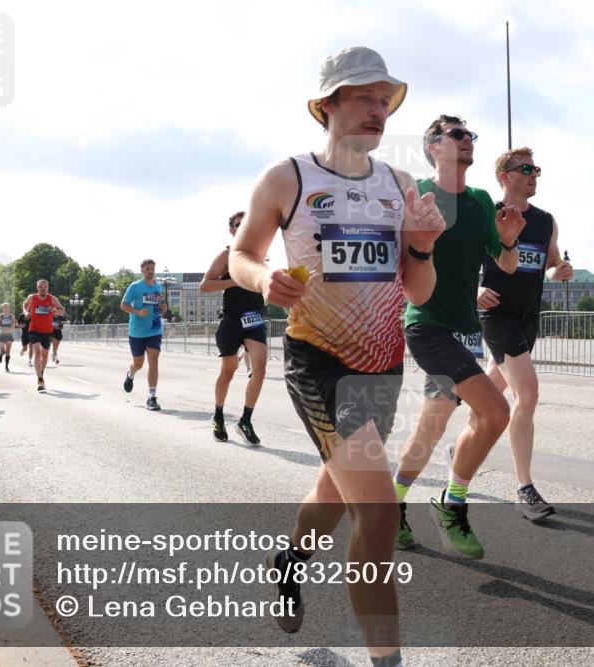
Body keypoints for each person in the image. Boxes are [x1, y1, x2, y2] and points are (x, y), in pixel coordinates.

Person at [229, 46, 444, 667]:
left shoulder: (400, 185)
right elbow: (242, 255)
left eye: (385, 100)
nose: (378, 110)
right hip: (318, 362)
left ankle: (290, 562)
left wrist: (424, 248)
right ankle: (388, 659)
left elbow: (418, 291)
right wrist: (264, 276)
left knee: (340, 482)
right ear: (327, 105)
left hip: (383, 360)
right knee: (377, 512)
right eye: (363, 97)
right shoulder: (287, 178)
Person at [391, 114, 524, 559]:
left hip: (466, 331)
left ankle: (390, 503)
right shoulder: (418, 194)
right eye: (458, 135)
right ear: (433, 147)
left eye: (471, 135)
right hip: (426, 324)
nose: (468, 141)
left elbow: (504, 267)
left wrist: (506, 242)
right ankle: (453, 504)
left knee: (430, 430)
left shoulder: (482, 200)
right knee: (496, 412)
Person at [475, 147, 573, 521]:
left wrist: (560, 270)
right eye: (526, 169)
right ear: (505, 176)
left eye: (537, 169)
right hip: (497, 314)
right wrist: (473, 291)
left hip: (529, 316)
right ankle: (525, 488)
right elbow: (458, 263)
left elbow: (551, 262)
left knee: (488, 393)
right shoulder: (488, 215)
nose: (534, 175)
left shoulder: (546, 220)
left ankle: (464, 448)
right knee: (527, 392)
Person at [200, 210, 268, 445]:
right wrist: (234, 280)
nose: (243, 227)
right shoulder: (226, 255)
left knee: (259, 370)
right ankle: (218, 414)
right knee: (228, 371)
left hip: (255, 318)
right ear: (232, 230)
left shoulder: (259, 255)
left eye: (247, 224)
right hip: (232, 319)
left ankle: (245, 420)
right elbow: (205, 285)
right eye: (238, 225)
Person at [121, 259, 167, 410]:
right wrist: (137, 312)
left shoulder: (158, 287)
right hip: (137, 332)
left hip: (154, 329)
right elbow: (123, 305)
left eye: (153, 268)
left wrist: (162, 309)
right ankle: (131, 373)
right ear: (142, 270)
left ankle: (151, 397)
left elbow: (158, 307)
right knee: (139, 364)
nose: (150, 271)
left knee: (153, 360)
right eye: (147, 268)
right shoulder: (135, 287)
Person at [22, 280, 66, 392]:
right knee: (37, 352)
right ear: (37, 287)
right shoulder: (32, 297)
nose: (43, 288)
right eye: (40, 286)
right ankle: (40, 380)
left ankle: (41, 373)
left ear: (48, 288)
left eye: (45, 286)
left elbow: (62, 310)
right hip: (34, 329)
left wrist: (54, 311)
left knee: (44, 356)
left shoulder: (52, 299)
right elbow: (25, 304)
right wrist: (26, 312)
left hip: (47, 331)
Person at [0, 303, 17, 372]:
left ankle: (6, 366)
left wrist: (13, 326)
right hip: (2, 335)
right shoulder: (0, 316)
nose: (5, 308)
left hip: (9, 335)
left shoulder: (11, 316)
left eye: (7, 307)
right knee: (2, 350)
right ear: (2, 308)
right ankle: (1, 355)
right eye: (4, 307)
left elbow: (15, 323)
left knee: (8, 352)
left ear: (8, 308)